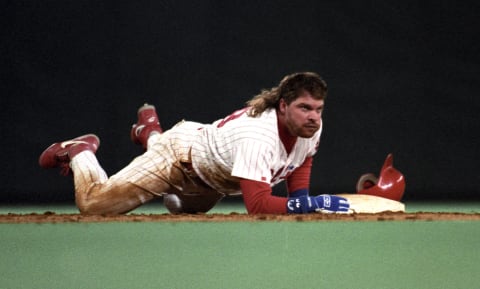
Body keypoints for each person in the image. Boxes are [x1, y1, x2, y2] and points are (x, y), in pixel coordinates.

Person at [39, 72, 350, 214]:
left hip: (211, 181)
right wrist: (309, 205)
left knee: (180, 208)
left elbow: (301, 159)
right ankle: (81, 151)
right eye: (305, 108)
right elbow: (257, 206)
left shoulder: (310, 128)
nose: (313, 116)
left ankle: (150, 133)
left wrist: (302, 199)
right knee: (94, 205)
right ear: (283, 106)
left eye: (318, 109)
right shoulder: (259, 135)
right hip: (179, 157)